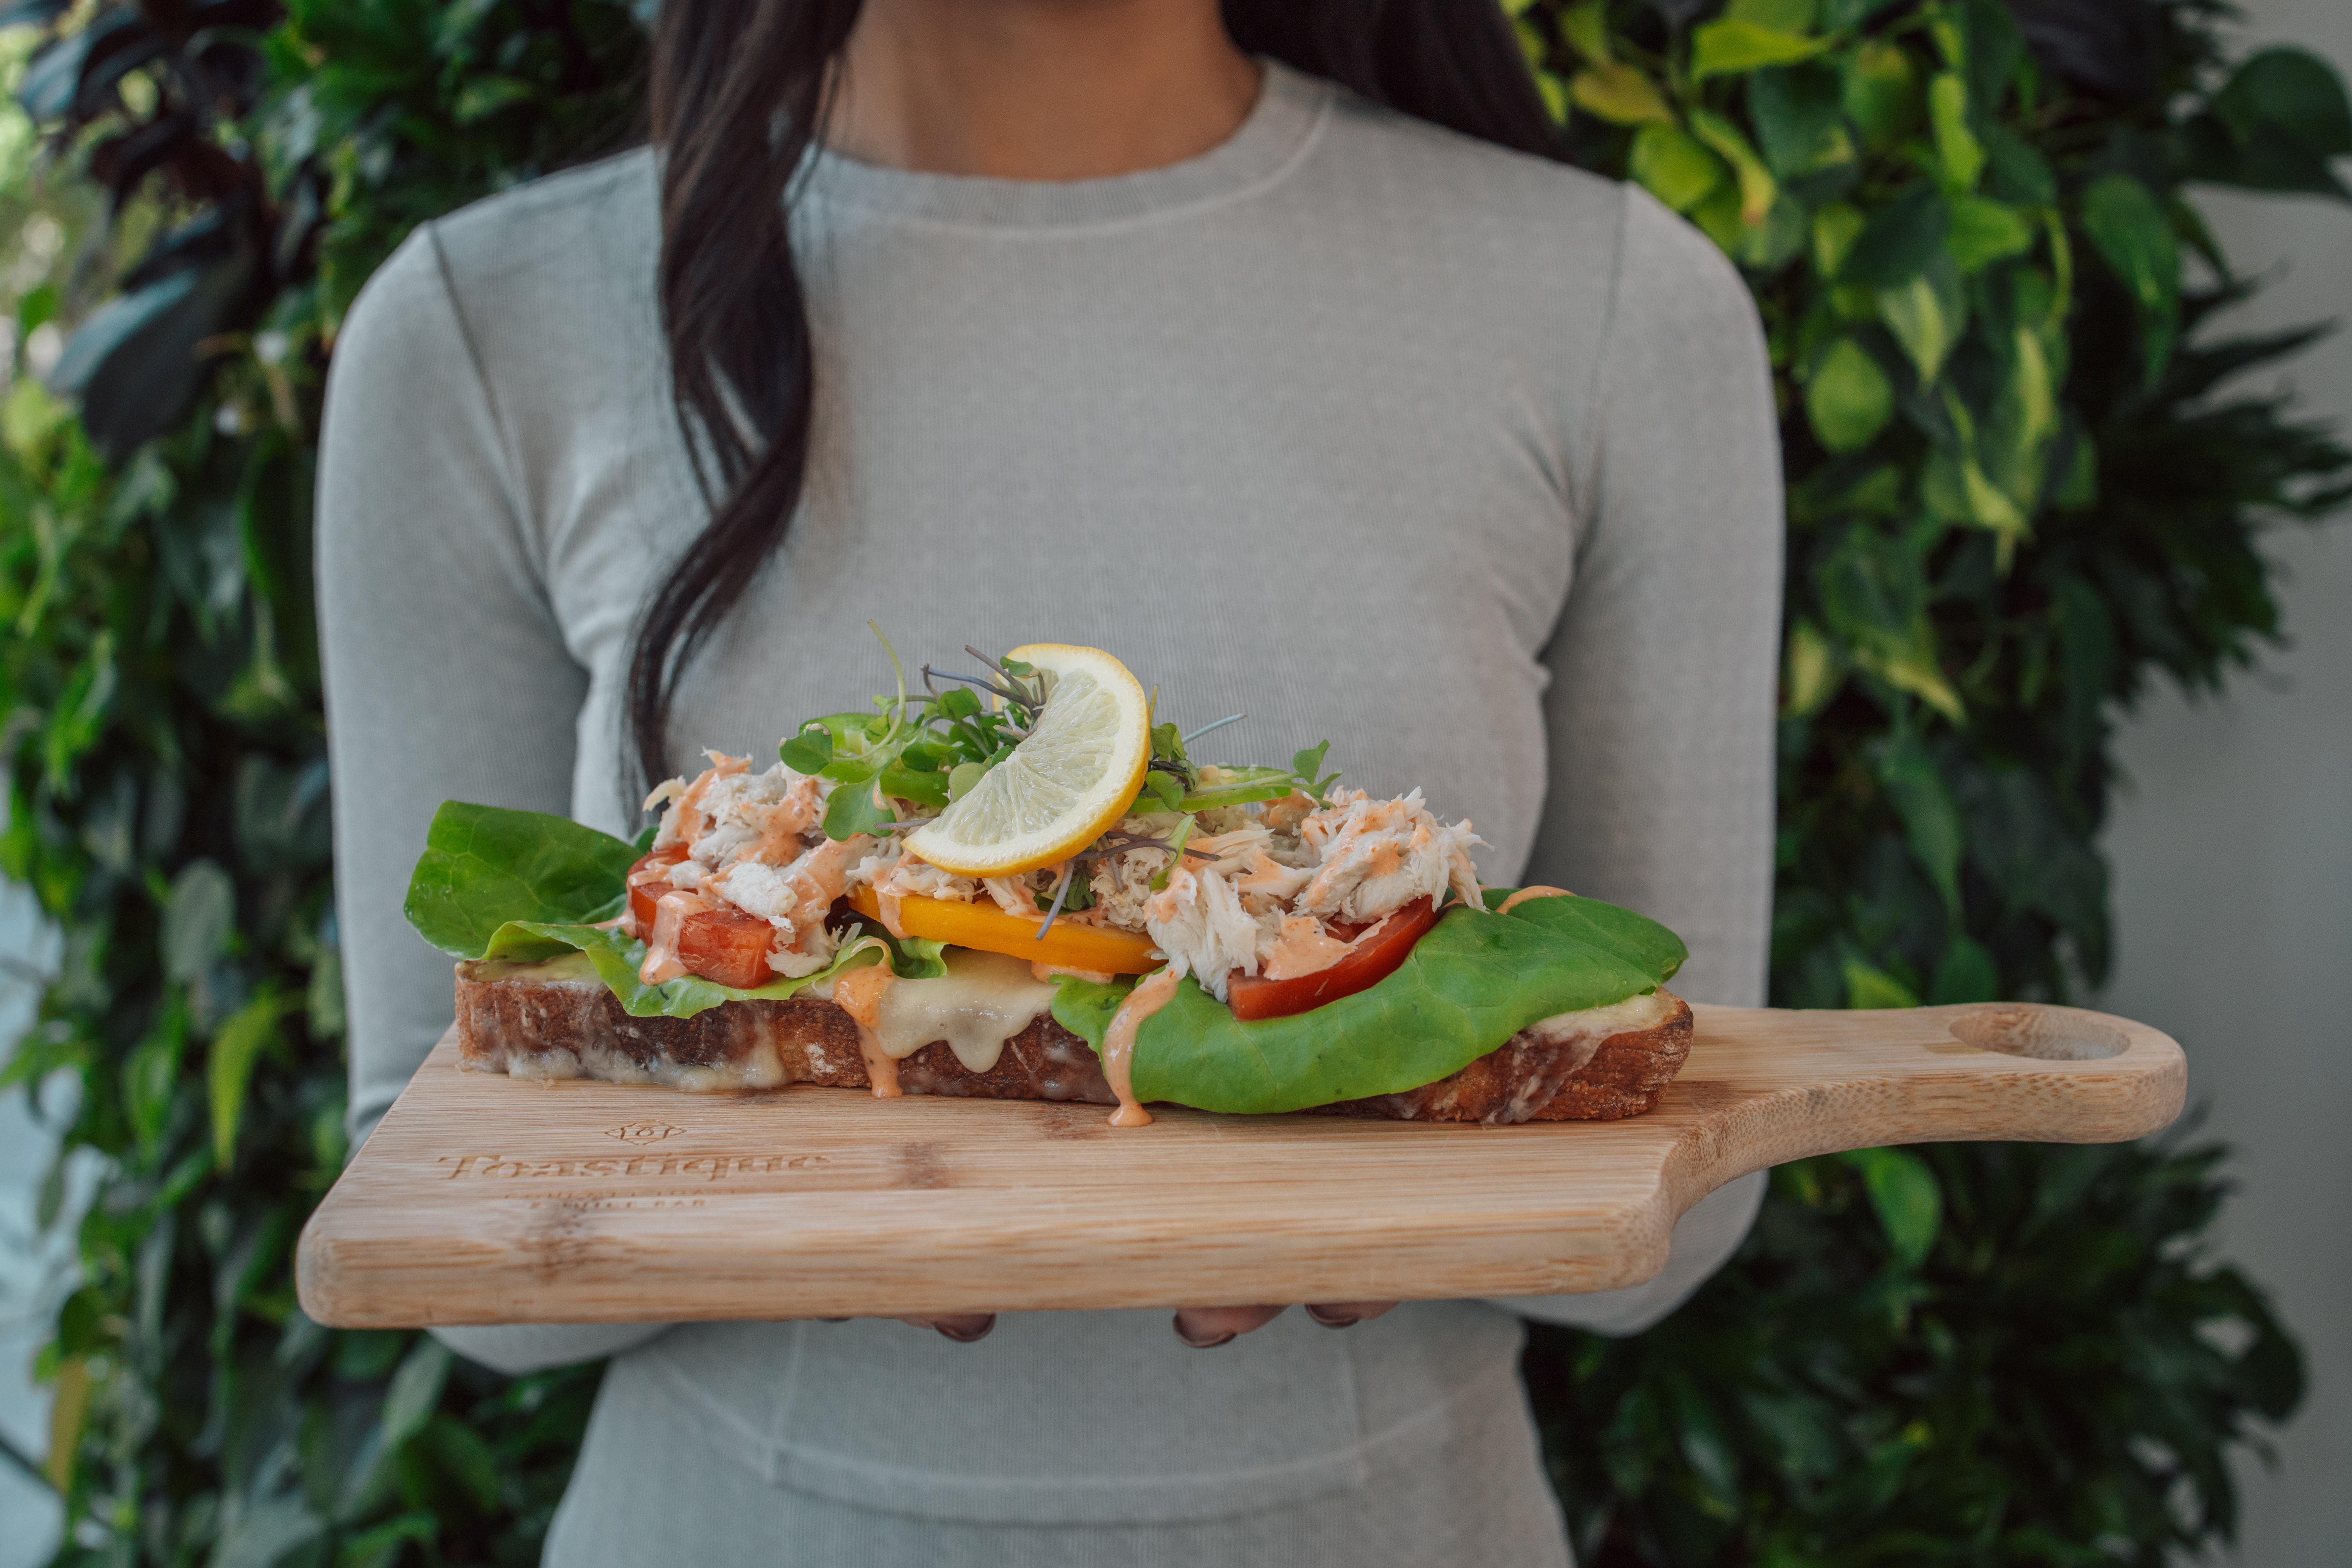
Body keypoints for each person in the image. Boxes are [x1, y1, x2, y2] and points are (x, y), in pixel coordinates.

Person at [317, 1, 1782, 1562]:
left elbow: (1677, 1203)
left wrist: (1377, 1172)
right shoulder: (481, 323)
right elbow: (447, 1229)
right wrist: (800, 1199)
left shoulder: (1617, 304)